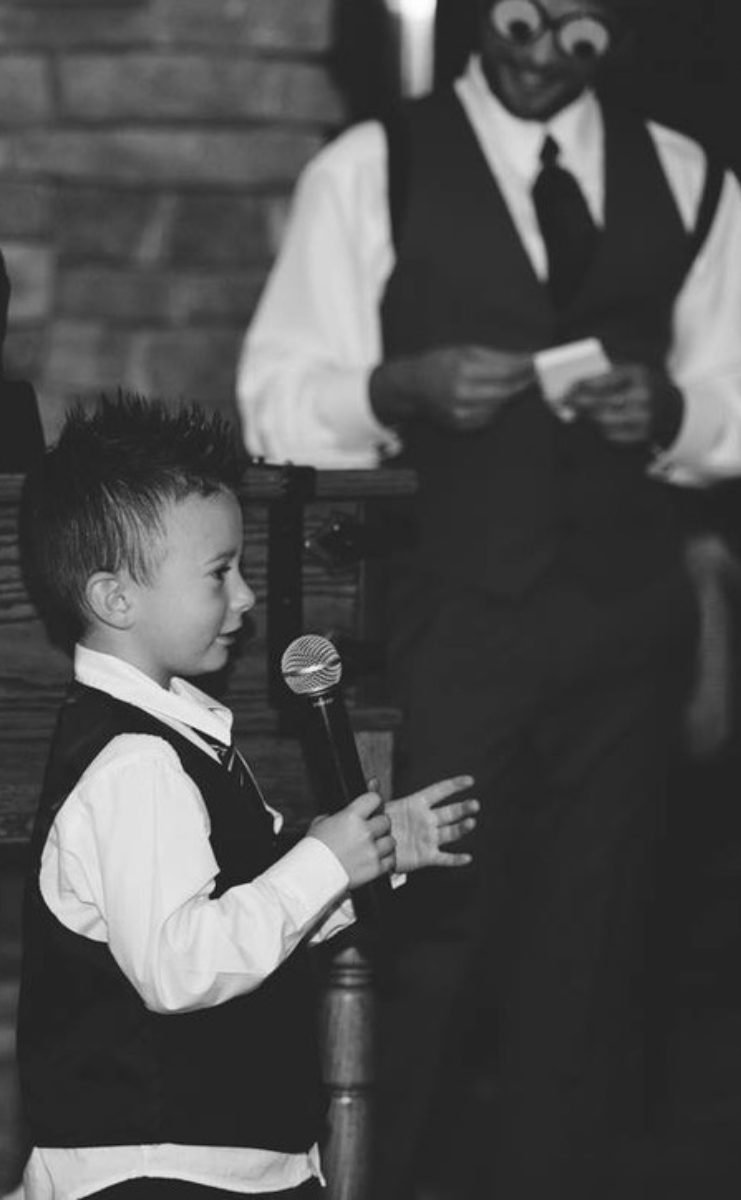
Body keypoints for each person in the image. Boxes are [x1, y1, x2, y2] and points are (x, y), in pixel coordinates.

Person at [236, 2, 741, 1198]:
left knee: (592, 960)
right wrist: (394, 387)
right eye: (521, 18)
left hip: (627, 623)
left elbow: (731, 389)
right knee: (424, 946)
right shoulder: (375, 167)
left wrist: (672, 413)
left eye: (577, 33)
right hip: (453, 620)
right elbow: (273, 399)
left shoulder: (690, 178)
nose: (539, 53)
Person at [15, 395, 479, 1200]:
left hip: (221, 1164)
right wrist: (320, 861)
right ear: (116, 599)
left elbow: (253, 914)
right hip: (158, 1171)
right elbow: (181, 967)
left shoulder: (180, 738)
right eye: (219, 573)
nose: (245, 598)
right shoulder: (135, 765)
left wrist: (362, 858)